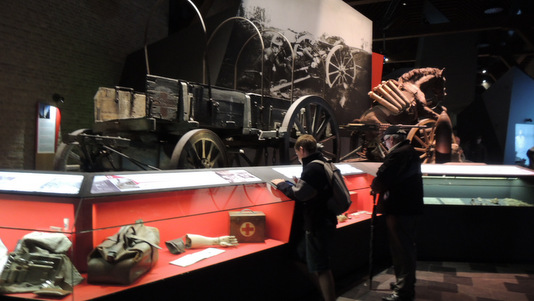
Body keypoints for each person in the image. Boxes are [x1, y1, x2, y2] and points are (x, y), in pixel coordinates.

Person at [271, 134, 337, 301]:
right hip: (323, 220)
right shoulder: (323, 164)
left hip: (317, 223)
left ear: (301, 149)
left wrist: (282, 184)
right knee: (300, 257)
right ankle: (322, 293)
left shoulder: (312, 168)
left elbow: (301, 194)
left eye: (298, 153)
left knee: (322, 267)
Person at [371, 126, 424, 301]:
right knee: (406, 248)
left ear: (391, 139)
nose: (385, 144)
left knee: (402, 250)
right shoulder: (409, 151)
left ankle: (403, 292)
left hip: (400, 208)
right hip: (409, 208)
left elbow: (381, 179)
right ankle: (405, 284)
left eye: (385, 141)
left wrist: (376, 186)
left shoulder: (397, 154)